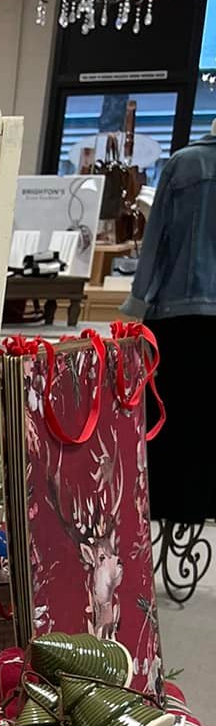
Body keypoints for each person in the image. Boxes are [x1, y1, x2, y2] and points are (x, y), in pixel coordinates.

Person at [123, 127, 216, 523]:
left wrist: (137, 301)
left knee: (168, 414)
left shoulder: (185, 164)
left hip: (178, 313)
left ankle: (162, 504)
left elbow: (157, 238)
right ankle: (204, 505)